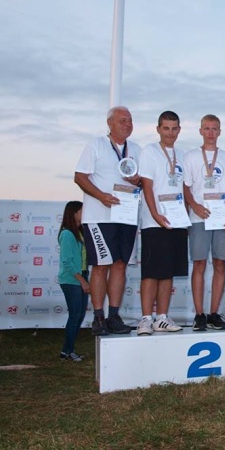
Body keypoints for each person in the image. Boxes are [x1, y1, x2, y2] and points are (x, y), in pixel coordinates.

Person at [74, 106, 141, 336]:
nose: (127, 124)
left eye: (130, 120)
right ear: (109, 123)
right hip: (99, 217)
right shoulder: (96, 145)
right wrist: (101, 196)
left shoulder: (136, 149)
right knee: (101, 265)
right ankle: (98, 316)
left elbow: (143, 181)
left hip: (126, 215)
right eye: (122, 120)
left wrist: (137, 180)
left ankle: (114, 315)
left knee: (120, 264)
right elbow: (80, 177)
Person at [136, 111, 189, 335]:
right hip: (154, 222)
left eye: (174, 128)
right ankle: (146, 318)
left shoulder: (182, 154)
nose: (170, 133)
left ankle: (162, 318)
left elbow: (184, 189)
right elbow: (147, 186)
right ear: (158, 129)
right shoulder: (149, 151)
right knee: (151, 272)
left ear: (179, 130)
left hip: (177, 222)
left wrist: (186, 217)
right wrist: (156, 214)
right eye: (166, 128)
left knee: (168, 272)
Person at [183, 114, 225, 331]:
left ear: (220, 131)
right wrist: (193, 205)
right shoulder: (191, 156)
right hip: (199, 217)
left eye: (215, 128)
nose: (211, 132)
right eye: (207, 128)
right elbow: (185, 187)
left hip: (222, 218)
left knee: (220, 263)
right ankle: (199, 314)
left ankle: (214, 313)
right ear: (200, 131)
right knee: (200, 264)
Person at [57, 201, 90, 361]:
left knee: (80, 314)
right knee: (75, 315)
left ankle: (68, 350)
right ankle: (67, 351)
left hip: (81, 276)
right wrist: (82, 281)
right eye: (82, 211)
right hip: (71, 280)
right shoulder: (67, 234)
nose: (85, 213)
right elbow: (67, 262)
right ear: (74, 213)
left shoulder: (80, 232)